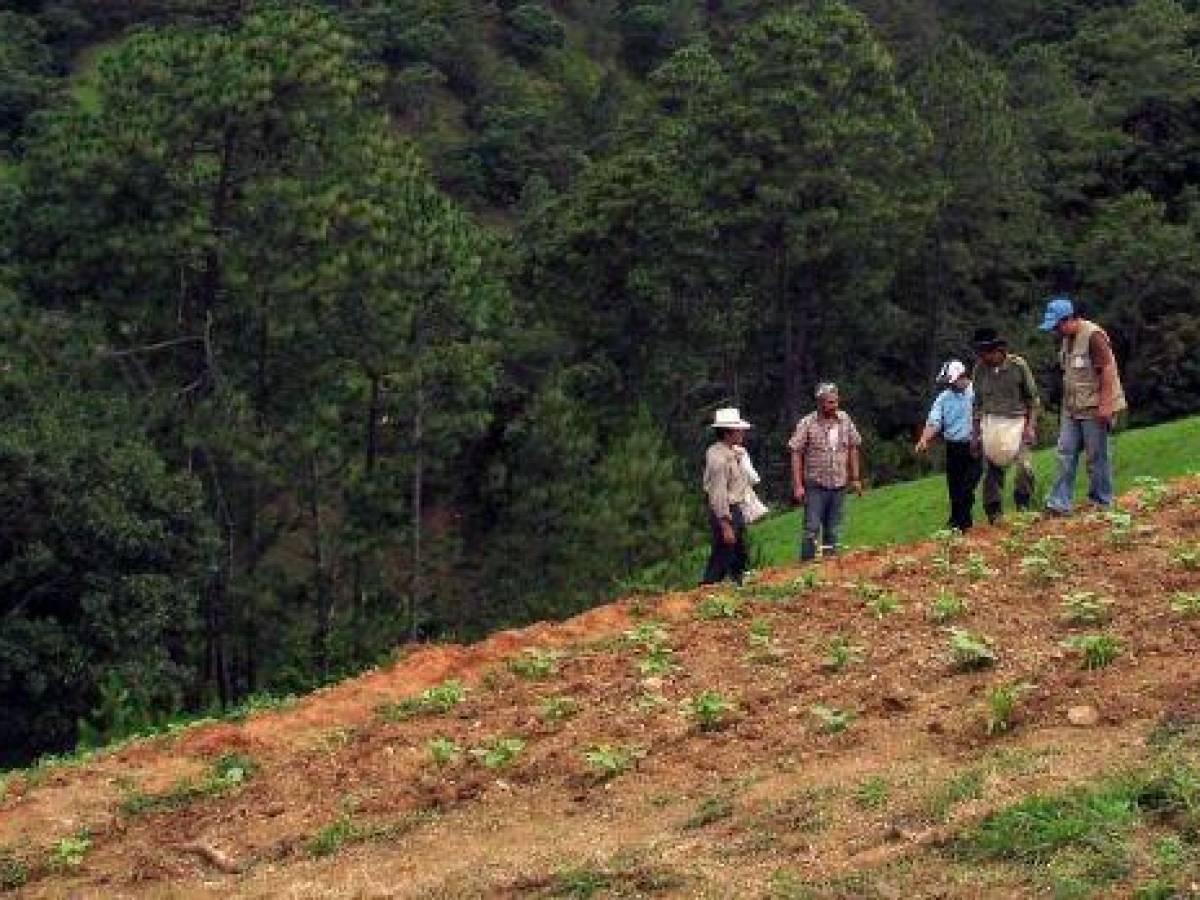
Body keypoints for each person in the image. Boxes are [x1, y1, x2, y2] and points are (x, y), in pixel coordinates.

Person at [1039, 294, 1127, 514]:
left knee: (1096, 456)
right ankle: (1059, 503)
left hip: (1095, 407)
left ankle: (1101, 501)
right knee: (1064, 452)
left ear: (1069, 319)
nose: (1054, 331)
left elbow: (1107, 370)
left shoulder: (1093, 336)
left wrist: (1106, 405)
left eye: (1057, 326)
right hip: (1072, 408)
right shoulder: (1067, 340)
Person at [970, 328, 1039, 525]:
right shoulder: (979, 370)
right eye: (980, 353)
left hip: (1017, 422)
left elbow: (1032, 399)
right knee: (991, 471)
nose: (983, 357)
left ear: (998, 350)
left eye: (986, 352)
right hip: (991, 423)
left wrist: (1030, 427)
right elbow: (977, 404)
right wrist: (975, 435)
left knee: (1024, 468)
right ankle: (994, 513)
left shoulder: (1019, 366)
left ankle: (1023, 506)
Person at [788, 382, 864, 561]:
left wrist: (855, 478)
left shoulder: (845, 419)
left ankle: (830, 566)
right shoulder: (807, 423)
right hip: (816, 484)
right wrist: (798, 485)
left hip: (839, 483)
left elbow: (854, 446)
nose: (834, 406)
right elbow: (795, 451)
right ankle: (807, 565)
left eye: (836, 401)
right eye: (830, 402)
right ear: (820, 403)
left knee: (833, 528)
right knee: (812, 528)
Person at [916, 360, 982, 531]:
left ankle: (963, 523)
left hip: (975, 446)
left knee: (967, 488)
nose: (950, 385)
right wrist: (924, 439)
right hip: (954, 448)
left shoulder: (977, 392)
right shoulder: (943, 398)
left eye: (952, 381)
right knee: (955, 488)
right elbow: (934, 421)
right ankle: (958, 524)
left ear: (962, 376)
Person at [701, 407, 753, 585]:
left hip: (734, 510)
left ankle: (738, 584)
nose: (742, 433)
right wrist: (725, 524)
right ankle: (707, 587)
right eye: (738, 430)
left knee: (738, 553)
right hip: (725, 511)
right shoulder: (718, 459)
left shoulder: (731, 452)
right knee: (723, 554)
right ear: (728, 433)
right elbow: (718, 494)